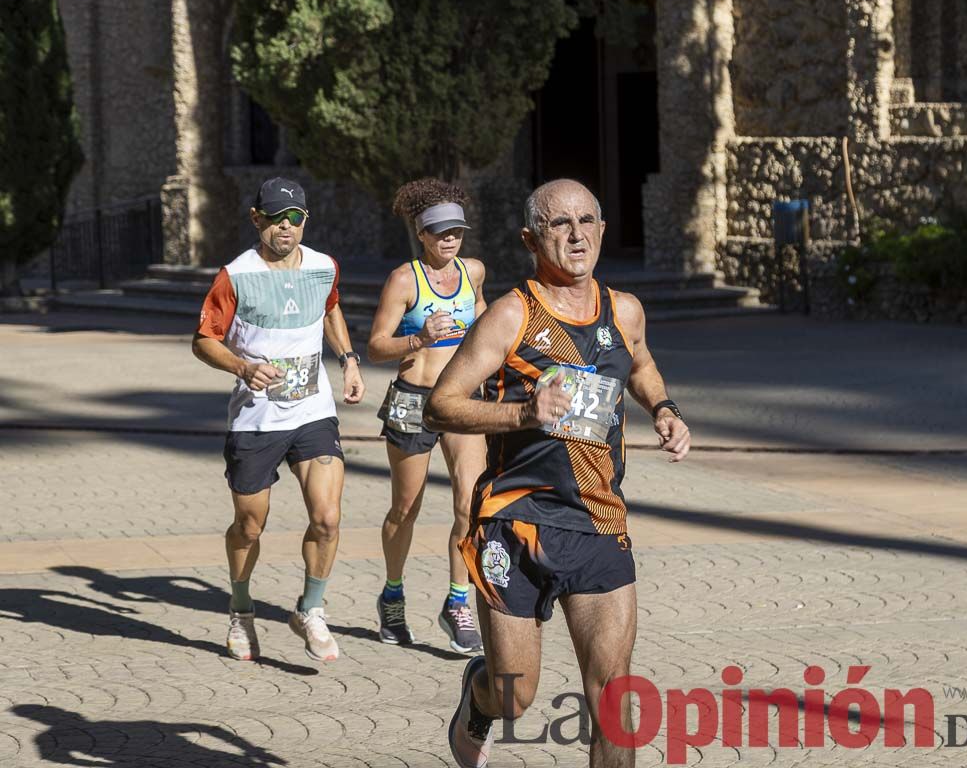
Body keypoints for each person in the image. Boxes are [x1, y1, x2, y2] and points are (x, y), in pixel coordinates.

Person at [425, 179, 691, 767]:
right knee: (514, 695)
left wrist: (665, 410)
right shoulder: (510, 315)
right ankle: (480, 695)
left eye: (587, 221)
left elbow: (640, 361)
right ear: (530, 238)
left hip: (598, 521)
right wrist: (523, 411)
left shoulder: (624, 310)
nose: (576, 235)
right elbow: (440, 404)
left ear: (601, 228)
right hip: (513, 522)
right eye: (558, 224)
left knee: (614, 703)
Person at [192, 177, 365, 663]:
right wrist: (243, 367)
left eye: (295, 218)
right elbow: (203, 340)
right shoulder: (235, 275)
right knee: (250, 525)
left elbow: (330, 310)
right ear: (256, 219)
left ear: (305, 220)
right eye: (274, 218)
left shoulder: (323, 267)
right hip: (255, 419)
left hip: (313, 412)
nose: (285, 227)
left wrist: (348, 359)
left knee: (327, 518)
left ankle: (311, 609)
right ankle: (241, 610)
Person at [366, 178, 488, 653]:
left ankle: (458, 601)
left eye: (456, 230)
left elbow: (481, 317)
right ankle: (393, 595)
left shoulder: (472, 270)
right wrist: (419, 338)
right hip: (413, 401)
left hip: (460, 399)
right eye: (440, 232)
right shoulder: (403, 279)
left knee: (469, 502)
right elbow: (376, 345)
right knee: (406, 508)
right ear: (422, 234)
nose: (450, 239)